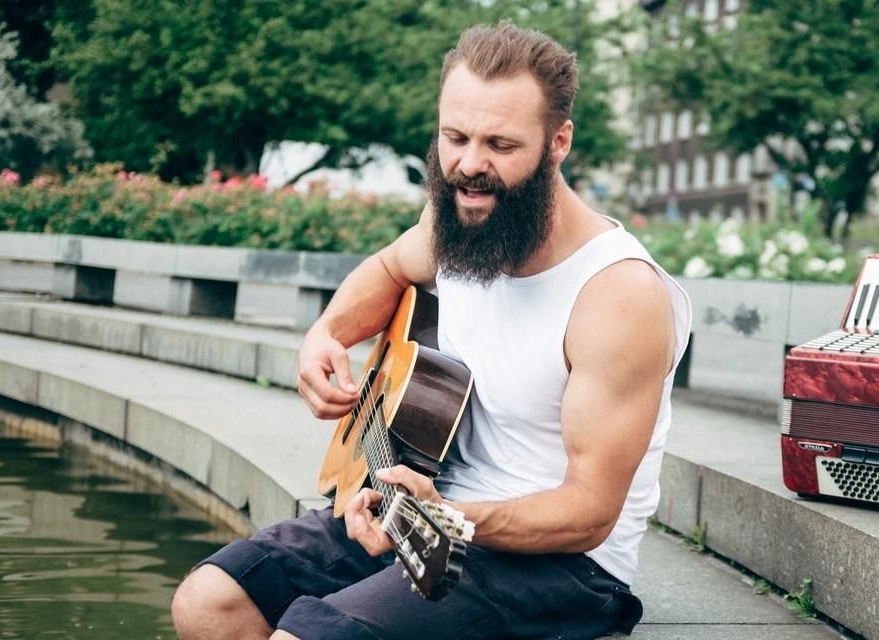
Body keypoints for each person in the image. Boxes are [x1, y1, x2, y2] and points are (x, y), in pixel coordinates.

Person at [170, 21, 691, 640]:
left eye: (500, 144)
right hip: (432, 507)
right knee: (209, 602)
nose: (470, 166)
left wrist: (443, 518)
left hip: (561, 568)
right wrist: (326, 336)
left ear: (559, 142)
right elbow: (391, 266)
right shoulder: (459, 220)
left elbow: (589, 512)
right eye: (455, 137)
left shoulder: (617, 294)